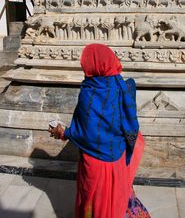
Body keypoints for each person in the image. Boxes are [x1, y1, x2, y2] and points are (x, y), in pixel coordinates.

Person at [49, 43, 150, 218]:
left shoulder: (90, 91)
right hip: (118, 156)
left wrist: (63, 132)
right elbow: (129, 124)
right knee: (117, 198)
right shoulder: (122, 87)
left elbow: (88, 134)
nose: (83, 66)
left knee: (96, 205)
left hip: (95, 163)